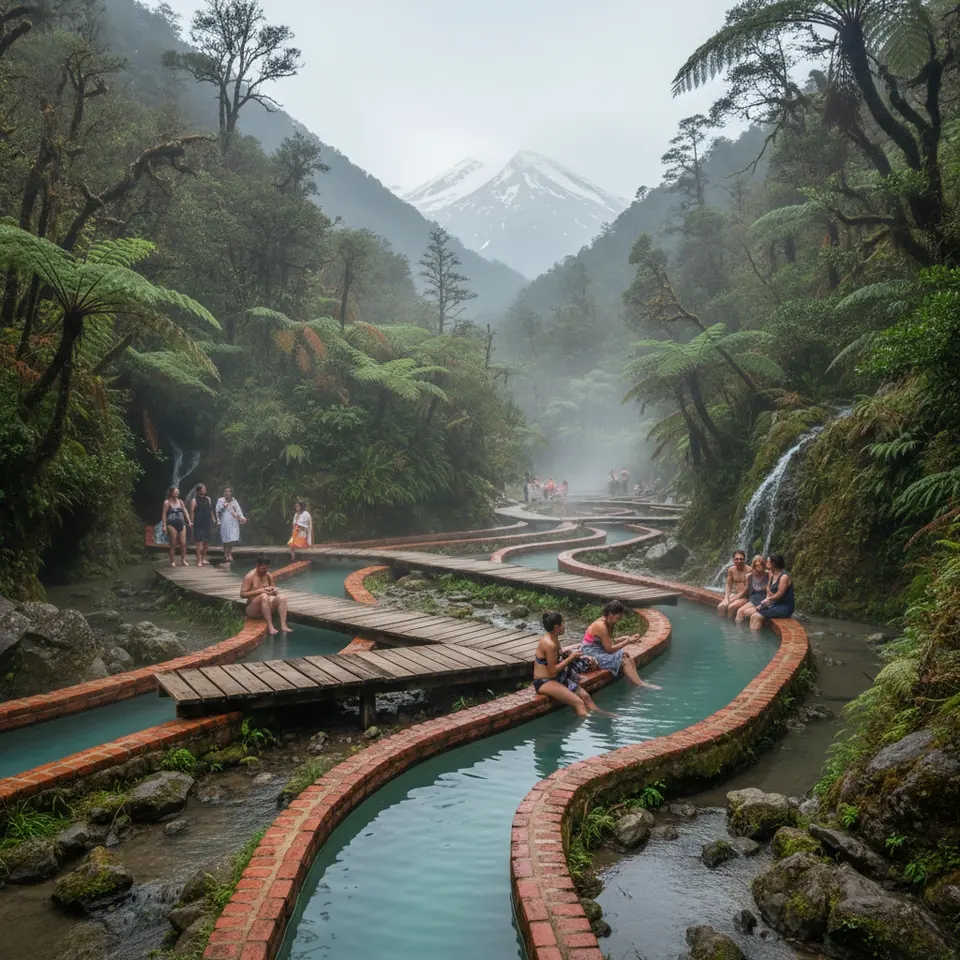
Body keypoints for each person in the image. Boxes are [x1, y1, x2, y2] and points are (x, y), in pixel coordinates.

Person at [533, 611, 610, 718]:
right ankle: (587, 728)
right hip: (545, 682)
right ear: (556, 627)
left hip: (557, 678)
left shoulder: (554, 638)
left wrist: (575, 652)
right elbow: (553, 670)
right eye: (563, 623)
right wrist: (571, 658)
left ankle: (603, 714)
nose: (564, 625)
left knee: (585, 696)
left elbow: (558, 656)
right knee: (579, 703)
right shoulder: (549, 644)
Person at [580, 600, 662, 689]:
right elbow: (609, 649)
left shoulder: (609, 621)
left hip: (599, 649)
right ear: (611, 614)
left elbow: (606, 641)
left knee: (626, 655)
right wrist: (627, 642)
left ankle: (635, 680)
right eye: (619, 616)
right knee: (622, 659)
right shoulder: (601, 626)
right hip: (591, 652)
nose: (621, 618)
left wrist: (624, 638)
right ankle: (640, 684)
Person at [240, 553, 291, 635]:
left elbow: (272, 593)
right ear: (257, 565)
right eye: (263, 568)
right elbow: (242, 594)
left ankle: (283, 626)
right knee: (263, 596)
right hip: (253, 610)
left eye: (267, 568)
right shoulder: (250, 576)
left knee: (282, 597)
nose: (265, 570)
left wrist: (275, 591)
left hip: (266, 607)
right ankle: (270, 627)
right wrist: (259, 591)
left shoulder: (268, 575)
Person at [750, 554, 795, 631]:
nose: (765, 563)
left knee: (757, 615)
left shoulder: (784, 577)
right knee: (754, 615)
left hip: (784, 607)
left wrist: (767, 600)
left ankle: (754, 638)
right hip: (774, 605)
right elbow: (768, 590)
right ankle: (752, 636)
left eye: (767, 562)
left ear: (773, 564)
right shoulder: (772, 576)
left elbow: (779, 594)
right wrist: (765, 603)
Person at [215, 487, 246, 570]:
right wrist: (223, 506)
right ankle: (225, 554)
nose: (227, 492)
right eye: (226, 491)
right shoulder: (221, 500)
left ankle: (229, 553)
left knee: (232, 538)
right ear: (224, 492)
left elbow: (238, 510)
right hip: (225, 520)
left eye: (229, 491)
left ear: (231, 493)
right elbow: (217, 510)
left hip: (233, 521)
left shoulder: (234, 500)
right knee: (226, 538)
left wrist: (242, 517)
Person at [161, 486, 191, 567]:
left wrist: (189, 521)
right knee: (173, 543)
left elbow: (185, 511)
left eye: (177, 492)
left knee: (183, 543)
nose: (176, 493)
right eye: (175, 492)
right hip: (171, 524)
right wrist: (164, 526)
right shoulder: (167, 503)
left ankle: (183, 560)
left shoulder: (181, 502)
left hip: (182, 523)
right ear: (171, 493)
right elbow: (164, 514)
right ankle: (172, 561)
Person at [736, 555, 771, 624]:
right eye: (756, 565)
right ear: (754, 566)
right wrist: (736, 598)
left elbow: (770, 592)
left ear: (764, 564)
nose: (759, 566)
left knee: (747, 612)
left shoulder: (768, 574)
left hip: (763, 601)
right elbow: (746, 589)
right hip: (753, 600)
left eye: (760, 564)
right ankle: (738, 632)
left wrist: (764, 604)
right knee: (740, 611)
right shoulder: (750, 576)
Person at [718, 550, 750, 617]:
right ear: (733, 560)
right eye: (737, 559)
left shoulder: (749, 570)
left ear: (744, 560)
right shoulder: (731, 570)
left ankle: (729, 625)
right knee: (721, 606)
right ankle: (721, 625)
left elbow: (747, 588)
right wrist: (726, 598)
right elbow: (728, 585)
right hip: (735, 594)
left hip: (746, 597)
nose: (739, 561)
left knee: (731, 607)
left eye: (741, 559)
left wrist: (735, 598)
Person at [190, 484, 214, 567]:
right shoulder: (194, 500)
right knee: (199, 542)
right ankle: (199, 560)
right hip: (198, 523)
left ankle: (203, 558)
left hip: (207, 522)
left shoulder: (208, 499)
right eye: (203, 489)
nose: (204, 490)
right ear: (199, 490)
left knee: (207, 541)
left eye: (205, 489)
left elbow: (211, 510)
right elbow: (192, 512)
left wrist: (214, 519)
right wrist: (191, 522)